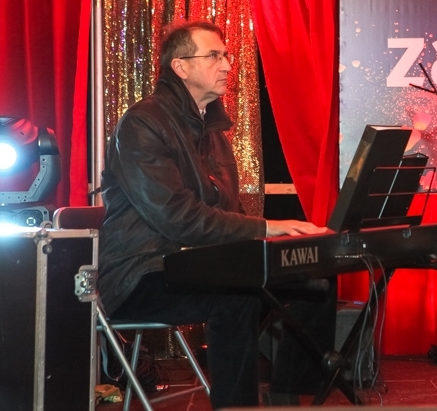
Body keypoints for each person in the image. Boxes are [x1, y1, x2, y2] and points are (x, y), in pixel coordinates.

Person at [98, 20, 337, 408]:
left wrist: (272, 246)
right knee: (236, 297)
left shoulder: (213, 133)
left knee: (313, 278)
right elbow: (178, 218)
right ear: (181, 67)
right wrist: (267, 227)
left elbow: (229, 214)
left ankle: (289, 397)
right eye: (214, 56)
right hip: (139, 273)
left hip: (196, 263)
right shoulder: (143, 124)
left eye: (226, 55)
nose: (227, 65)